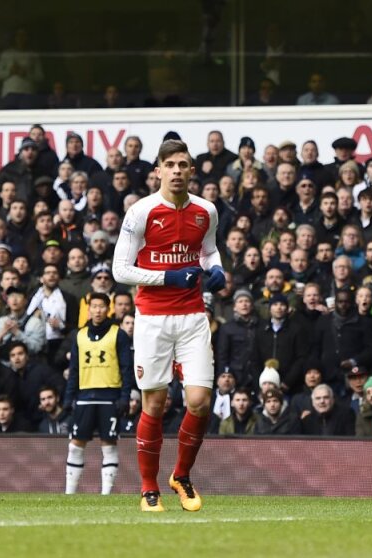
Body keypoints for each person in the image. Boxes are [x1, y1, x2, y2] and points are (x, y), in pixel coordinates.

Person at [111, 139, 226, 512]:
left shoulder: (206, 210)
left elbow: (208, 250)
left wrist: (217, 269)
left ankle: (181, 475)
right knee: (155, 403)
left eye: (183, 165)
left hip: (193, 316)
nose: (177, 171)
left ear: (192, 171)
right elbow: (120, 270)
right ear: (158, 170)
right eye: (170, 165)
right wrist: (168, 277)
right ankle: (149, 488)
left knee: (199, 401)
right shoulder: (140, 212)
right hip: (152, 319)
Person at [64, 293, 133, 496]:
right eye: (93, 306)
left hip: (110, 395)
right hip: (85, 396)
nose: (97, 310)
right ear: (88, 308)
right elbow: (74, 369)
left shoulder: (118, 334)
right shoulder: (79, 335)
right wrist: (69, 397)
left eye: (101, 306)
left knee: (109, 444)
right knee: (76, 445)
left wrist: (124, 397)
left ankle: (106, 495)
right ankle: (69, 494)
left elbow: (126, 369)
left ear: (107, 308)